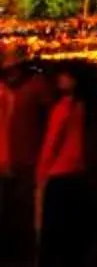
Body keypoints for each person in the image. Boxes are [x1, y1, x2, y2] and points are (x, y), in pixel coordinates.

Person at [31, 65, 88, 267]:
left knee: (51, 229)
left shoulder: (62, 108)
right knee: (73, 229)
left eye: (65, 76)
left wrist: (40, 174)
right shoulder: (80, 107)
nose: (60, 79)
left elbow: (51, 142)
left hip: (58, 174)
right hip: (77, 172)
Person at [0, 45, 46, 260]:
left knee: (23, 211)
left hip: (26, 159)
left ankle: (22, 253)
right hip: (7, 159)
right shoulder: (5, 90)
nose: (12, 72)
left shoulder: (34, 87)